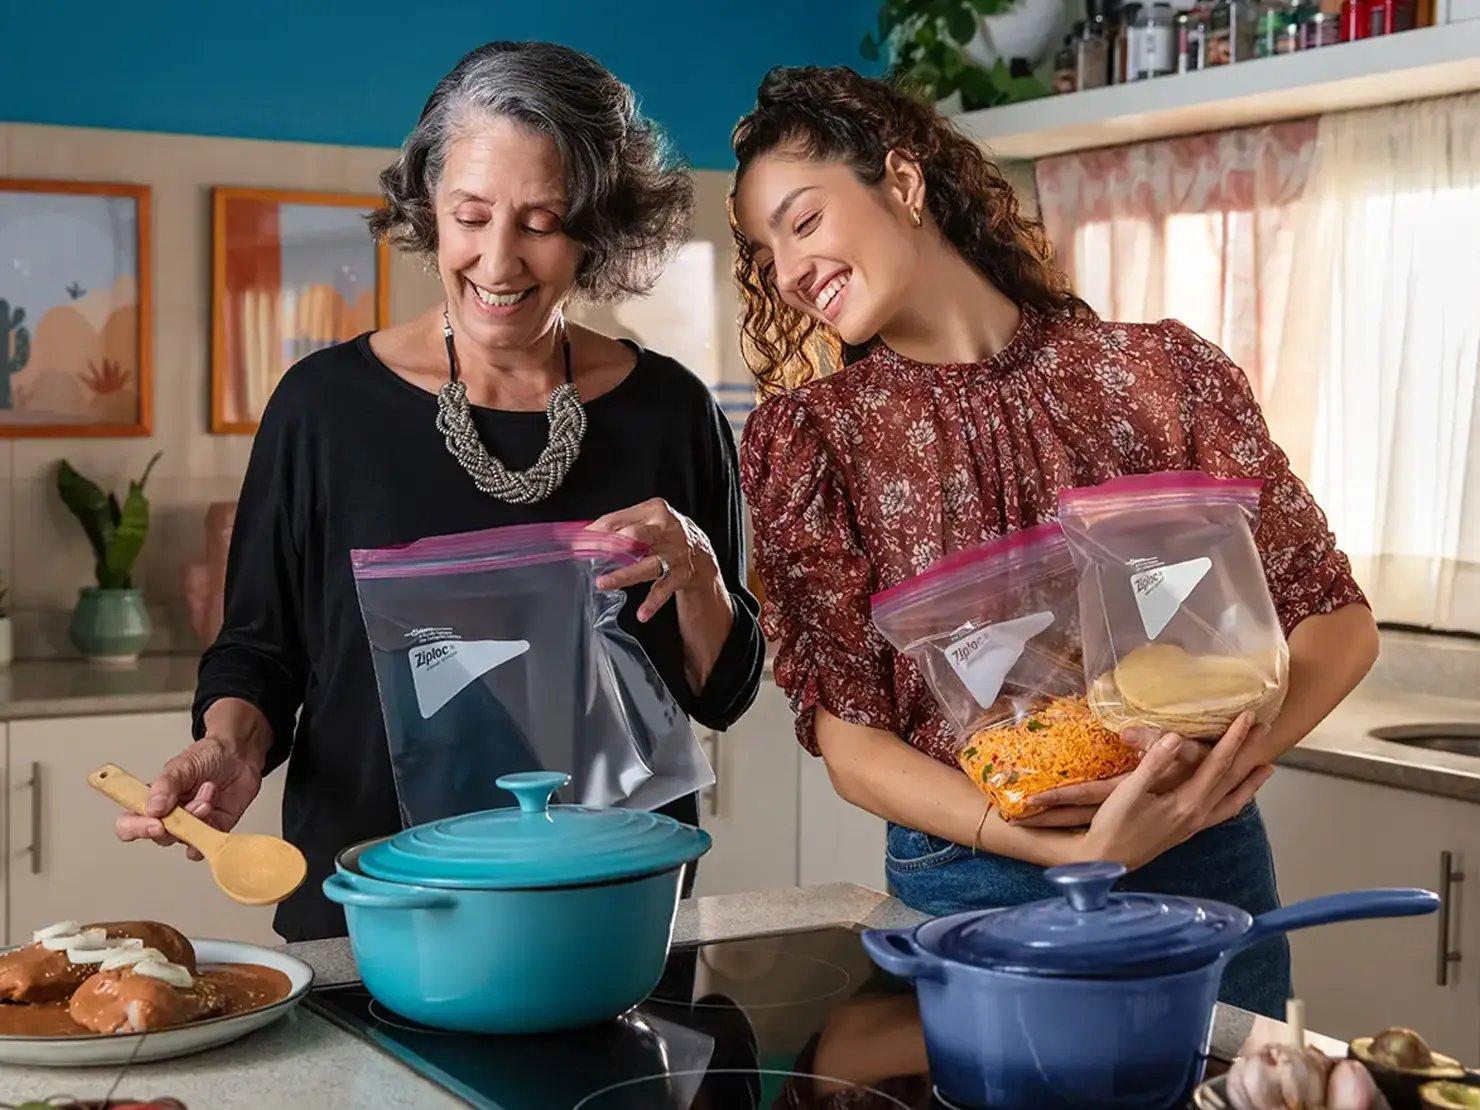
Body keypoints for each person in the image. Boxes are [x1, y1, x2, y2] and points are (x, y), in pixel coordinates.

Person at [731, 66, 1377, 1017]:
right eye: (766, 251)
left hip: (1204, 870)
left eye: (803, 222)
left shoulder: (1161, 373)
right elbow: (849, 740)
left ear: (903, 184)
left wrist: (1200, 786)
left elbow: (1336, 623)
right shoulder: (811, 442)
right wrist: (1056, 846)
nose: (788, 271)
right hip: (975, 879)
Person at [113, 41, 764, 941]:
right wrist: (231, 747)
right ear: (428, 209)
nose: (499, 262)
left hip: (610, 913)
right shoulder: (324, 407)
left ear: (596, 226)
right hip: (376, 911)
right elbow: (260, 651)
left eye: (541, 222)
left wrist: (698, 573)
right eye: (471, 216)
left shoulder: (671, 411)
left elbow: (721, 691)